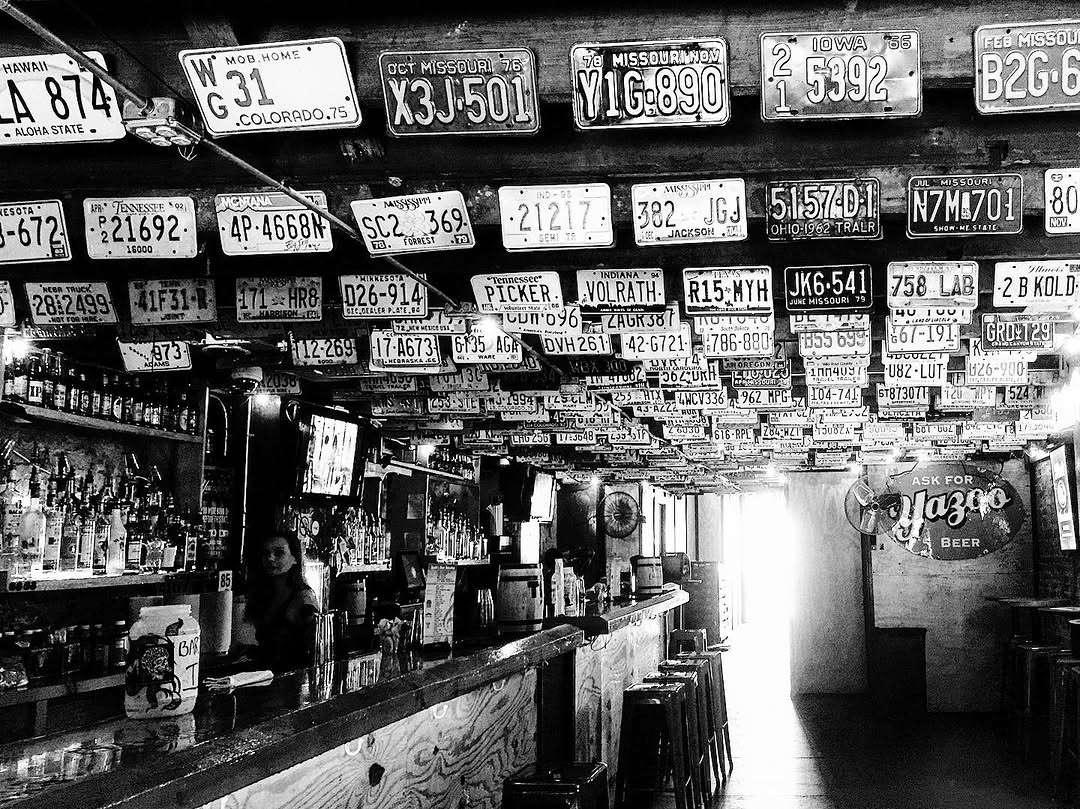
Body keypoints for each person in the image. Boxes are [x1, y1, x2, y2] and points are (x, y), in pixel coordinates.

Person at [245, 531, 318, 672]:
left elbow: (314, 648)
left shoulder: (304, 599)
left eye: (279, 553)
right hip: (268, 677)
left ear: (295, 558)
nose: (270, 558)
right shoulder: (264, 595)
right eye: (266, 553)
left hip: (294, 678)